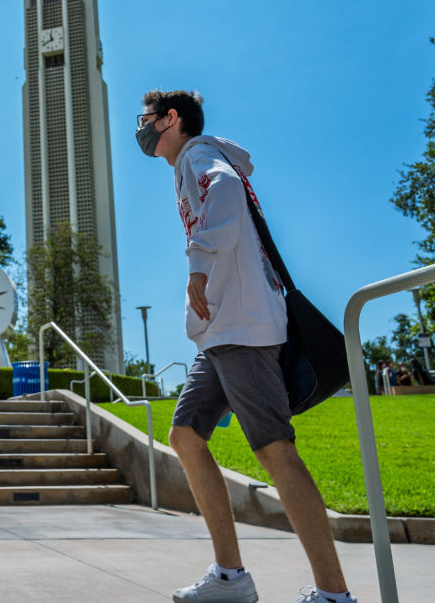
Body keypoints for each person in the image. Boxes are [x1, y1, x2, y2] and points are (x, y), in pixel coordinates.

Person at [136, 89, 355, 603]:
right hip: (221, 332)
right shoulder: (192, 162)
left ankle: (334, 594)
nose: (141, 130)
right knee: (186, 436)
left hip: (242, 328)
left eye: (146, 119)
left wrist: (197, 263)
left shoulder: (199, 155)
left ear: (171, 119)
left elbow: (228, 191)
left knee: (274, 448)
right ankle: (230, 578)